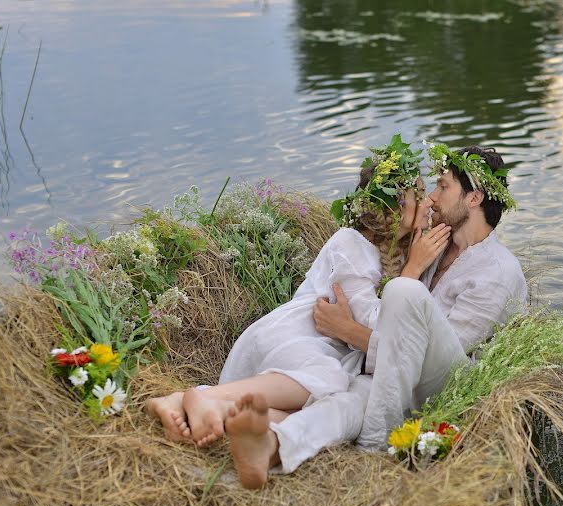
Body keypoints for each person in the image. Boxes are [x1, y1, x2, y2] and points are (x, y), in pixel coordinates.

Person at [224, 143, 528, 488]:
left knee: (403, 290)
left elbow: (434, 354)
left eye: (443, 186)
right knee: (347, 399)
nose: (431, 196)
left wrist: (352, 333)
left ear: (473, 199)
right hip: (395, 370)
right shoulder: (434, 245)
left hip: (449, 378)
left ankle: (369, 437)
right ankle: (273, 444)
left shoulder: (496, 273)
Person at [145, 135, 436, 453]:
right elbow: (380, 321)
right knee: (328, 378)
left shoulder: (388, 250)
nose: (429, 201)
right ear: (396, 205)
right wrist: (412, 274)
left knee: (309, 409)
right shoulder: (351, 245)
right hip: (299, 334)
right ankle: (207, 397)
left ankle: (202, 407)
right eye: (419, 193)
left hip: (326, 347)